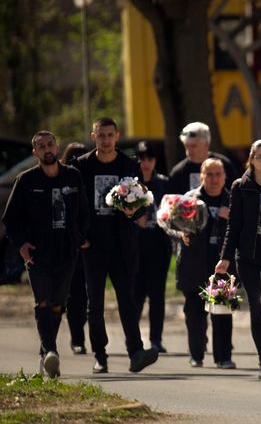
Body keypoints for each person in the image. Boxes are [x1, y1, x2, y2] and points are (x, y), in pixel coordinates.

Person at [73, 117, 159, 374]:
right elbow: (74, 204)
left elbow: (141, 201)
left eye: (110, 135)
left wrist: (134, 212)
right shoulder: (81, 166)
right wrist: (80, 236)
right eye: (101, 135)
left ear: (117, 136)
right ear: (93, 136)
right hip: (93, 246)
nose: (106, 140)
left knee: (127, 301)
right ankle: (100, 355)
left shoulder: (129, 164)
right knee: (95, 305)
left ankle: (136, 353)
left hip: (123, 245)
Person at [2, 131, 90, 378]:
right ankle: (52, 352)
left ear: (56, 146)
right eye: (41, 146)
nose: (47, 149)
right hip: (38, 254)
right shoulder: (26, 181)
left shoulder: (73, 176)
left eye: (50, 144)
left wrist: (79, 237)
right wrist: (21, 245)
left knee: (57, 306)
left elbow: (84, 212)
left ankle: (45, 356)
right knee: (42, 302)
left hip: (66, 252)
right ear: (35, 153)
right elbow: (10, 219)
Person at [215, 139, 261, 379]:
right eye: (260, 156)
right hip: (248, 255)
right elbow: (234, 225)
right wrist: (225, 257)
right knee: (257, 305)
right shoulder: (240, 186)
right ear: (251, 160)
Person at [174, 158, 235, 369]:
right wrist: (181, 232)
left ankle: (224, 357)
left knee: (222, 313)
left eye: (218, 174)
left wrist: (229, 218)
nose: (214, 179)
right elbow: (172, 226)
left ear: (225, 177)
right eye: (209, 174)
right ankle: (196, 354)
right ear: (201, 176)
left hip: (221, 265)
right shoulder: (190, 200)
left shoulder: (232, 200)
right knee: (195, 314)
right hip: (193, 264)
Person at [133, 141, 172, 354]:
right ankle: (134, 339)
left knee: (157, 294)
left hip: (159, 245)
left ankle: (156, 339)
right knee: (136, 293)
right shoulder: (130, 186)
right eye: (141, 159)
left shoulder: (164, 184)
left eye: (149, 159)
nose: (145, 163)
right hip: (137, 246)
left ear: (154, 161)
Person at [60, 142, 90, 355]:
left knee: (88, 296)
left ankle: (83, 332)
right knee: (74, 295)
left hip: (90, 246)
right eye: (73, 160)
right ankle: (77, 338)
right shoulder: (63, 183)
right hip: (69, 247)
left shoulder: (88, 182)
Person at [168, 122, 238, 193]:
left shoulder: (224, 166)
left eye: (193, 146)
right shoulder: (178, 173)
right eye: (186, 146)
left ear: (206, 144)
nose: (188, 151)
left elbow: (235, 194)